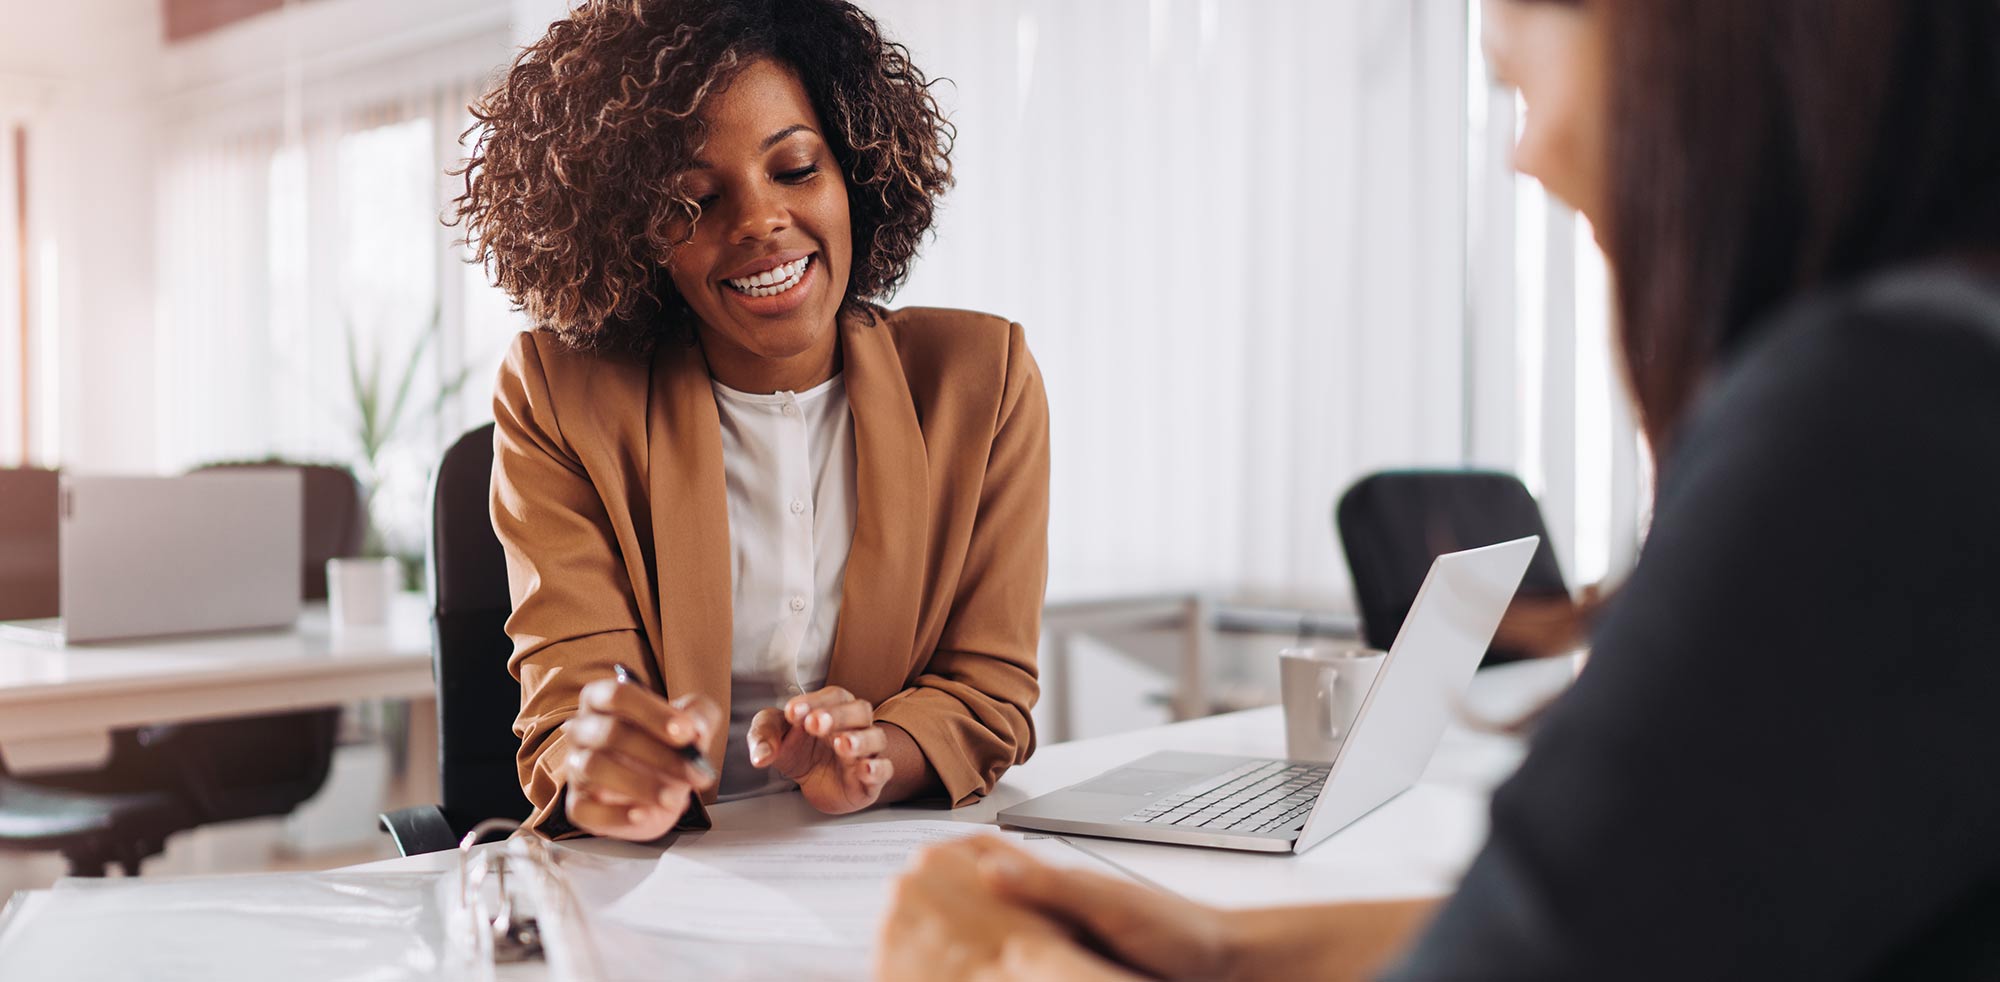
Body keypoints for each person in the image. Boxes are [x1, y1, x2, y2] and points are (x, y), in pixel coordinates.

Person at [879, 0, 2000, 978]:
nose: (1527, 153)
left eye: (1517, 80)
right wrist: (1222, 949)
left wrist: (997, 968)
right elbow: (1598, 935)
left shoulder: (1871, 415)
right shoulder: (1936, 372)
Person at [455, 0, 1049, 843]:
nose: (759, 222)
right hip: (654, 888)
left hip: (877, 868)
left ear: (854, 168)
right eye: (693, 198)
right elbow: (568, 712)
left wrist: (875, 756)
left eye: (796, 168)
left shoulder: (980, 382)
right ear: (632, 236)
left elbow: (986, 692)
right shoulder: (558, 394)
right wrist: (607, 767)